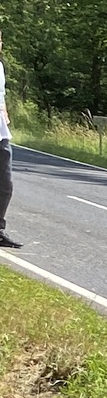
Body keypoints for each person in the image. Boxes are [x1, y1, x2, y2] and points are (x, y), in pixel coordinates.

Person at [0, 30, 20, 249]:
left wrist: (4, 111)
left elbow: (1, 96)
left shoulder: (0, 67)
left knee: (5, 185)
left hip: (1, 134)